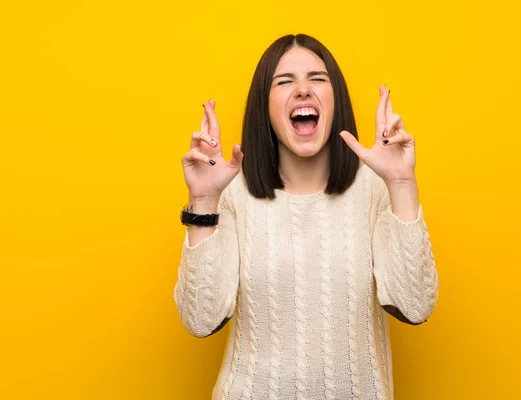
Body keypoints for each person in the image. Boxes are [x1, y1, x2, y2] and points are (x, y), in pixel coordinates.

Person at [174, 33, 439, 400]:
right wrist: (204, 200)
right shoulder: (232, 194)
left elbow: (416, 305)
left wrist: (401, 183)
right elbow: (200, 321)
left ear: (336, 100)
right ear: (264, 107)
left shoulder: (375, 189)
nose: (302, 90)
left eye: (317, 78)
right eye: (284, 82)